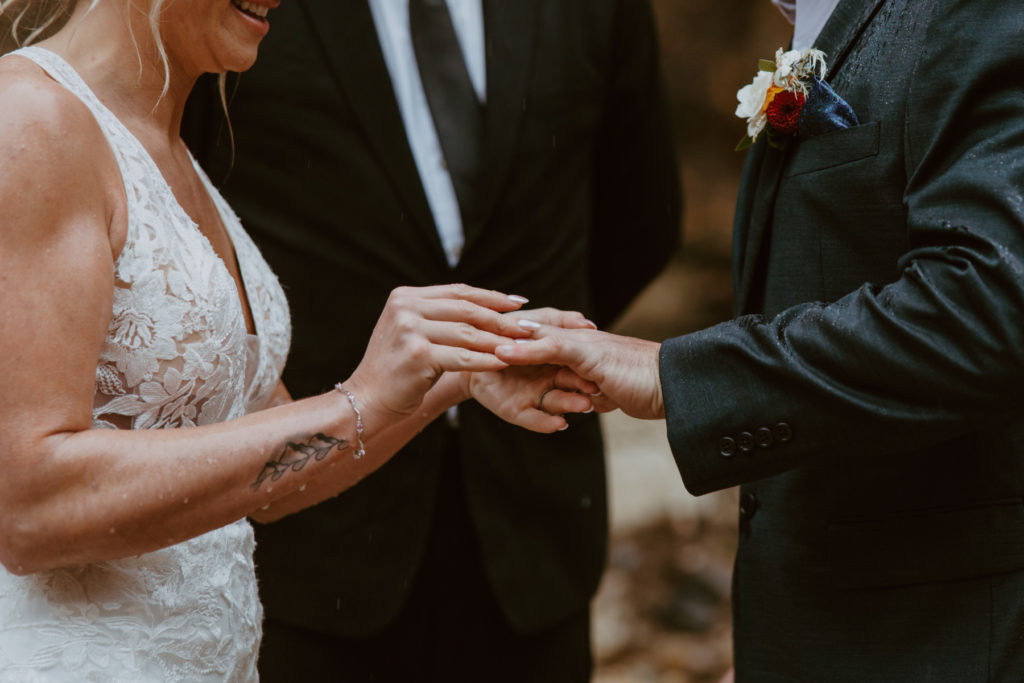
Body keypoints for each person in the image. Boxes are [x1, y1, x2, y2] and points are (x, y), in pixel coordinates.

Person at [0, 1, 599, 680]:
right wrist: (358, 400)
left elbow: (272, 475)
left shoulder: (168, 149)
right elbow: (29, 505)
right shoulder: (31, 120)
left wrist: (447, 376)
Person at [497, 0, 1024, 680]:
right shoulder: (833, 21)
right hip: (820, 622)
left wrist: (677, 377)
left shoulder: (972, 11)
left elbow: (986, 309)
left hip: (935, 637)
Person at [182, 1, 680, 680]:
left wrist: (518, 346)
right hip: (305, 542)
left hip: (533, 520)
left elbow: (641, 212)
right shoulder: (235, 11)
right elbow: (182, 206)